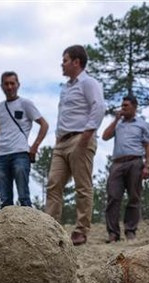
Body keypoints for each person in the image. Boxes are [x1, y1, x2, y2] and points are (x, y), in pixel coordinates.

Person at [45, 45, 106, 246]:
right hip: (61, 142)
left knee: (82, 186)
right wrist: (57, 139)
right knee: (54, 184)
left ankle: (81, 230)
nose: (62, 64)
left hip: (80, 138)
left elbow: (99, 107)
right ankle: (50, 228)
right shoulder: (65, 88)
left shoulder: (89, 83)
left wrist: (86, 135)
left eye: (65, 60)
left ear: (76, 62)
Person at [0, 71, 48, 208]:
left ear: (18, 85)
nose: (9, 87)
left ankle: (30, 228)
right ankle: (6, 228)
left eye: (12, 83)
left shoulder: (26, 104)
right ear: (1, 86)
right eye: (6, 84)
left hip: (20, 153)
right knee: (5, 199)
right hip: (2, 155)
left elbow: (44, 124)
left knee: (24, 196)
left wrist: (35, 146)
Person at [101, 95, 149, 242]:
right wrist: (116, 119)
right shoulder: (118, 124)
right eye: (122, 105)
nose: (123, 108)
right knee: (113, 196)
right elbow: (105, 136)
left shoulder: (142, 124)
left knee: (134, 197)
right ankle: (113, 233)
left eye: (126, 106)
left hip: (135, 162)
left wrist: (147, 166)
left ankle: (130, 231)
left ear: (134, 107)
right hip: (117, 163)